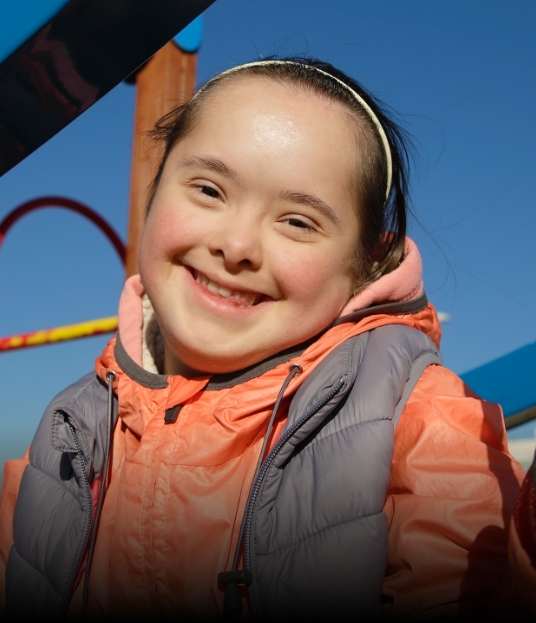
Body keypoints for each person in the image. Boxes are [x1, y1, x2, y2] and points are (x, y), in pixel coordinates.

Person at [0, 57, 531, 621]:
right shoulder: (74, 427)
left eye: (298, 221)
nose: (236, 245)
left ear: (366, 266)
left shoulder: (418, 424)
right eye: (208, 189)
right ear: (155, 192)